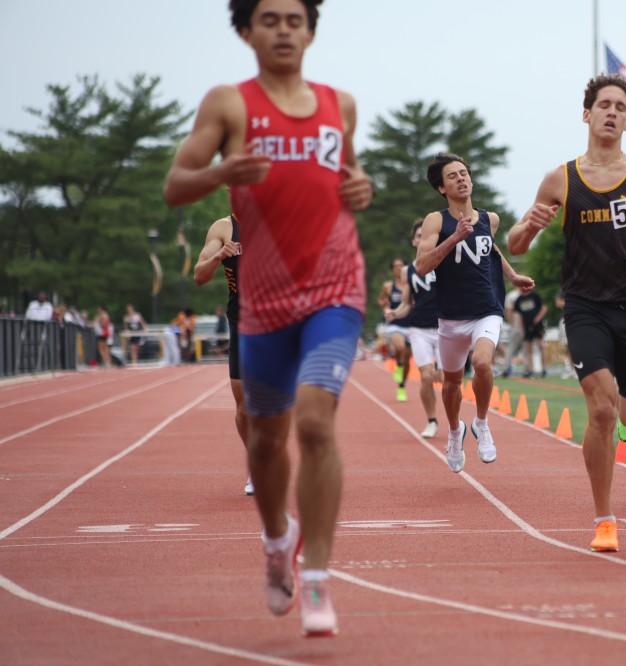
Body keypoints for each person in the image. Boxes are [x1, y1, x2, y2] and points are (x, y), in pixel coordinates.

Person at [162, 0, 373, 637]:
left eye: (294, 19)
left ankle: (317, 575)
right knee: (264, 437)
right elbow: (176, 184)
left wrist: (361, 187)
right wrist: (224, 170)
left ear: (310, 31)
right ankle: (278, 538)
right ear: (246, 30)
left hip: (334, 288)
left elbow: (351, 178)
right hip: (263, 302)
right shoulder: (229, 105)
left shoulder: (340, 105)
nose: (283, 29)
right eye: (270, 19)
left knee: (315, 423)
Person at [508, 74, 626, 552]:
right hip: (585, 307)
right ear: (586, 114)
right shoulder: (560, 178)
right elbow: (515, 243)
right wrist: (532, 225)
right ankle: (604, 519)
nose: (612, 112)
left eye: (620, 107)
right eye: (604, 105)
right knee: (602, 409)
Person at [414, 152, 534, 474]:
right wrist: (454, 238)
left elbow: (490, 248)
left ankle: (481, 422)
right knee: (451, 384)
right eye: (452, 176)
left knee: (482, 363)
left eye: (464, 173)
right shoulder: (435, 221)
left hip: (486, 309)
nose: (461, 179)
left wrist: (512, 276)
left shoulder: (488, 219)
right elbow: (422, 266)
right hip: (451, 317)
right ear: (442, 188)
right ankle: (455, 432)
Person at [193, 213, 253, 495]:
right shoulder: (223, 228)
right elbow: (199, 277)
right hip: (241, 322)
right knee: (244, 405)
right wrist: (218, 257)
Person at [385, 218, 442, 438]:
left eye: (427, 235)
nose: (423, 239)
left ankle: (454, 422)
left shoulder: (443, 262)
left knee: (446, 379)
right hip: (419, 328)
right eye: (419, 236)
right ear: (414, 241)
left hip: (444, 327)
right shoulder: (407, 271)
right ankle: (432, 420)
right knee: (426, 376)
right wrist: (394, 313)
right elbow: (407, 303)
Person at [377, 257, 411, 401]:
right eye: (396, 266)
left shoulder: (411, 283)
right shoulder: (388, 286)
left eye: (401, 265)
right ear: (392, 270)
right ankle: (398, 364)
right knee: (399, 347)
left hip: (411, 324)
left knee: (408, 359)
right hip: (395, 324)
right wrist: (385, 306)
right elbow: (381, 300)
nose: (398, 268)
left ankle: (402, 386)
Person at [513, 289, 547, 378]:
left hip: (538, 326)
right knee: (528, 349)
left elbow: (544, 308)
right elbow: (518, 315)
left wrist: (538, 318)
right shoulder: (519, 300)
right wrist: (521, 329)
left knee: (541, 346)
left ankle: (544, 369)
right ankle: (531, 370)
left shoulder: (535, 296)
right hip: (526, 326)